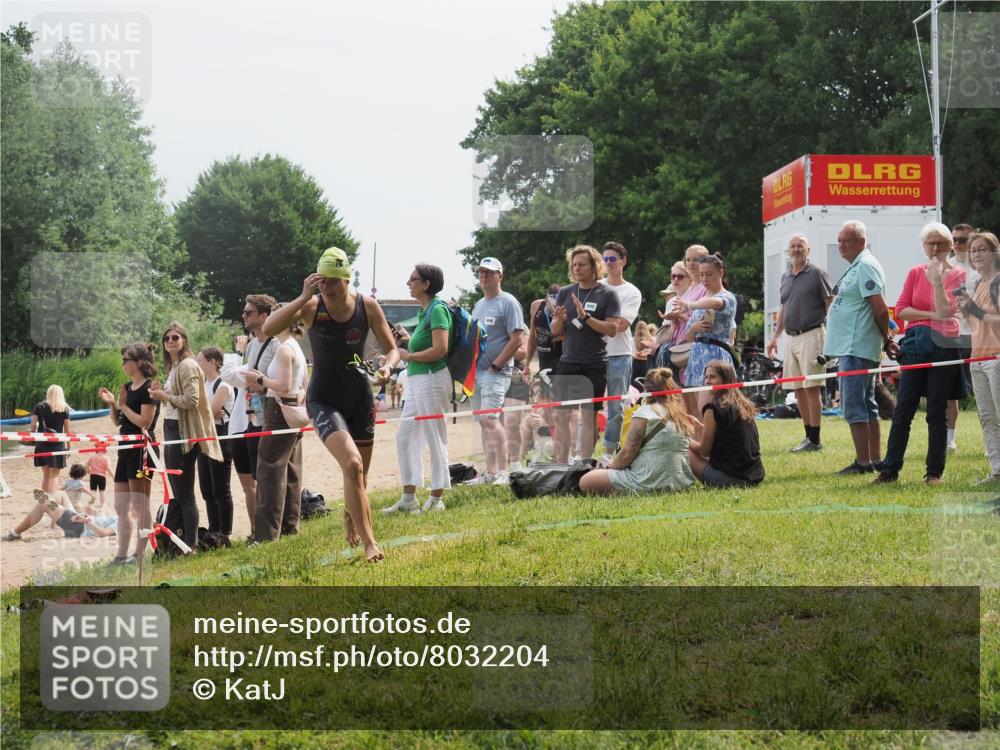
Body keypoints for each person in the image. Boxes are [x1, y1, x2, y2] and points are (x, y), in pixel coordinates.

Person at [263, 247, 398, 562]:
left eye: (332, 281)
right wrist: (301, 296)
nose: (326, 287)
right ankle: (370, 544)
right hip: (323, 399)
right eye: (321, 281)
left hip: (360, 397)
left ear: (347, 279)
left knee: (358, 474)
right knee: (351, 464)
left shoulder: (368, 306)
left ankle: (351, 517)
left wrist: (388, 367)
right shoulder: (311, 306)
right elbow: (268, 329)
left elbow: (392, 350)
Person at [873, 223, 968, 486]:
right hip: (916, 344)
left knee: (937, 411)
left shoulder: (958, 275)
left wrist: (937, 281)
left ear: (950, 246)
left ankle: (934, 473)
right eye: (930, 244)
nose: (935, 249)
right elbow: (901, 309)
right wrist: (929, 315)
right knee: (903, 409)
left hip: (944, 344)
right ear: (923, 247)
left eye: (940, 243)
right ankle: (889, 470)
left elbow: (948, 310)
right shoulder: (915, 272)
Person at [822, 220, 898, 475]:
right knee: (867, 404)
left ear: (861, 242)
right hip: (852, 347)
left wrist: (886, 339)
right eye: (839, 240)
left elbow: (879, 307)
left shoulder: (865, 265)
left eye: (846, 240)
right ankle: (874, 459)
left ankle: (863, 462)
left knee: (854, 406)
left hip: (856, 348)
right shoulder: (859, 265)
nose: (840, 245)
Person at [149, 322, 224, 551]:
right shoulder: (176, 366)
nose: (170, 341)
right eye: (167, 338)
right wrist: (163, 394)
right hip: (173, 428)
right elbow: (179, 398)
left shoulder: (188, 365)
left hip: (183, 433)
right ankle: (184, 541)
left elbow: (192, 401)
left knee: (185, 494)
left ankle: (190, 544)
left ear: (184, 340)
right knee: (179, 492)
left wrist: (165, 396)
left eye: (175, 337)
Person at [384, 264, 453, 513]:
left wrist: (409, 356)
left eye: (413, 279)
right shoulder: (425, 312)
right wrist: (406, 346)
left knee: (435, 436)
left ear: (426, 284)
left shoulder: (437, 310)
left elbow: (440, 349)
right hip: (416, 380)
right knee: (405, 436)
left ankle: (436, 499)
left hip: (432, 378)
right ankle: (409, 497)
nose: (408, 283)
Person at [549, 245, 623, 464]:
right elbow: (555, 330)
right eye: (574, 265)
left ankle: (583, 464)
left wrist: (586, 317)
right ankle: (561, 465)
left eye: (582, 264)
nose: (577, 268)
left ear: (594, 267)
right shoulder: (565, 292)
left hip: (595, 364)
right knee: (561, 416)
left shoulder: (607, 294)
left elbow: (612, 328)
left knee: (588, 416)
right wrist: (559, 321)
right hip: (568, 362)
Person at [579, 368, 696, 495]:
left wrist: (609, 469)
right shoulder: (681, 416)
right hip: (680, 482)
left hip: (648, 481)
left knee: (586, 480)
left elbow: (627, 454)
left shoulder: (644, 413)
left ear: (645, 390)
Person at [766, 234, 834, 452]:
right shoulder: (786, 276)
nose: (796, 250)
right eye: (793, 247)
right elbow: (784, 309)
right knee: (798, 388)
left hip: (812, 334)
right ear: (788, 251)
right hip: (791, 337)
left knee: (812, 388)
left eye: (800, 246)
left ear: (808, 250)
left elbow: (829, 304)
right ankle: (807, 437)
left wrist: (831, 336)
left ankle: (815, 440)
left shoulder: (817, 273)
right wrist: (776, 336)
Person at [248, 305, 309, 540]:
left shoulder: (284, 349)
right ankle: (289, 526)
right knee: (291, 469)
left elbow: (283, 386)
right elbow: (302, 386)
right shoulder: (296, 347)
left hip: (278, 410)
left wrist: (260, 378)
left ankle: (266, 534)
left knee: (269, 470)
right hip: (292, 409)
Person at [221, 294, 280, 535]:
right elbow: (239, 377)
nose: (244, 316)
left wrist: (260, 381)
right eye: (244, 312)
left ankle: (269, 529)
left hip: (269, 418)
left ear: (264, 316)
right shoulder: (253, 345)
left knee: (266, 481)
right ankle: (257, 530)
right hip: (248, 420)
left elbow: (256, 379)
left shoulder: (276, 345)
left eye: (249, 313)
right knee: (249, 484)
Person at [98, 342, 160, 565]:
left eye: (126, 360)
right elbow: (118, 422)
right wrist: (114, 404)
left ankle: (139, 553)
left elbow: (145, 422)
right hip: (125, 448)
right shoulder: (126, 386)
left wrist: (123, 406)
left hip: (142, 449)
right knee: (120, 505)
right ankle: (121, 554)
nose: (122, 364)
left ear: (139, 363)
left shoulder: (149, 387)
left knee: (139, 504)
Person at [467, 257, 525, 485]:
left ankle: (503, 471)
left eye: (489, 273)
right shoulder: (479, 304)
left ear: (500, 276)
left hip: (496, 373)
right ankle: (490, 472)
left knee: (491, 418)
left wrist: (496, 366)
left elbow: (516, 339)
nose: (484, 276)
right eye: (481, 272)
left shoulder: (509, 302)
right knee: (483, 421)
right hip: (477, 373)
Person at [958, 231, 1000, 482]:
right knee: (986, 417)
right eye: (973, 250)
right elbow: (977, 324)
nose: (976, 254)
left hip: (996, 358)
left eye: (982, 249)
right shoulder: (980, 285)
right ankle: (997, 470)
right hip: (978, 358)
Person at [673, 254, 738, 412]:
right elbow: (688, 337)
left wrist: (689, 305)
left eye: (709, 274)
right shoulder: (701, 300)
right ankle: (700, 437)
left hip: (715, 358)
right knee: (694, 414)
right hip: (696, 358)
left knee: (707, 411)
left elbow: (716, 303)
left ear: (721, 273)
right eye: (701, 274)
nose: (705, 279)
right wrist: (694, 328)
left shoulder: (727, 297)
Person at [688, 360, 766, 488]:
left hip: (732, 479)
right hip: (754, 476)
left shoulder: (713, 408)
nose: (707, 381)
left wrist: (685, 440)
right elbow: (728, 434)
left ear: (725, 379)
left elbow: (704, 450)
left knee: (686, 451)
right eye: (706, 377)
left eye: (713, 377)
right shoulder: (744, 403)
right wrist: (700, 427)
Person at [599, 241, 642, 466]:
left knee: (615, 406)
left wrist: (591, 321)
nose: (608, 263)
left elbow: (622, 325)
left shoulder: (631, 291)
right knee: (589, 404)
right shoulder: (594, 287)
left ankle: (608, 453)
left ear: (623, 261)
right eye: (605, 259)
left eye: (612, 259)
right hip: (593, 355)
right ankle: (583, 451)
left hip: (619, 354)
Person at [196, 346, 235, 538]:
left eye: (201, 360)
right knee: (206, 488)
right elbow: (203, 412)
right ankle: (213, 529)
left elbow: (209, 412)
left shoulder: (223, 385)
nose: (198, 364)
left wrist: (205, 412)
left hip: (220, 437)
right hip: (204, 436)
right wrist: (205, 412)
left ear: (213, 362)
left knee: (220, 487)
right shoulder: (203, 384)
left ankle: (224, 531)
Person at [947, 222, 977, 452]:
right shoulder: (946, 266)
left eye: (961, 240)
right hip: (952, 336)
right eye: (954, 239)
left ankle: (991, 442)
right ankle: (950, 440)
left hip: (979, 338)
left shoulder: (982, 268)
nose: (956, 244)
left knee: (986, 391)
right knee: (951, 390)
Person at [4, 489, 116, 541]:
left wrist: (86, 520)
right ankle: (51, 509)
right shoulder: (123, 517)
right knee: (61, 494)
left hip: (80, 527)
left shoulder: (125, 521)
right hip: (81, 522)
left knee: (43, 503)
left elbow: (103, 533)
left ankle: (16, 532)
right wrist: (95, 514)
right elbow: (103, 526)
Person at [30, 385, 72, 495]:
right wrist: (69, 445)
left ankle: (44, 503)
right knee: (54, 476)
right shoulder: (63, 408)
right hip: (57, 444)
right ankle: (52, 499)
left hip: (41, 443)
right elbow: (67, 429)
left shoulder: (39, 407)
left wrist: (33, 439)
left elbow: (33, 426)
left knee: (46, 475)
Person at [523, 283, 564, 395]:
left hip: (562, 360)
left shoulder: (567, 309)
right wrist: (527, 364)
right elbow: (532, 336)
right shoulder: (536, 306)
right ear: (547, 298)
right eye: (553, 300)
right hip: (544, 360)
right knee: (545, 402)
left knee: (563, 405)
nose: (556, 306)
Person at [503, 347, 531, 474]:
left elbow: (522, 353)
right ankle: (499, 467)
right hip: (490, 375)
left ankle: (515, 462)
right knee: (495, 423)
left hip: (516, 376)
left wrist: (498, 345)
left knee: (512, 422)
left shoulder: (518, 328)